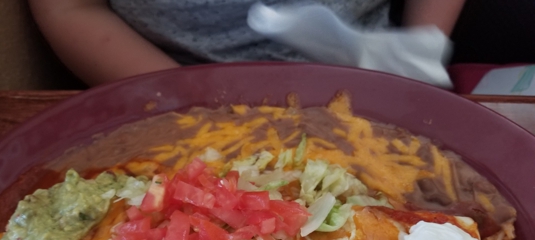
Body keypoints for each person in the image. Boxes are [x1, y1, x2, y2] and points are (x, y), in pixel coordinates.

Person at [28, 0, 466, 86]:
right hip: (168, 85)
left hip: (376, 73)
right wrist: (185, 100)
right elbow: (67, 7)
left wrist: (422, 42)